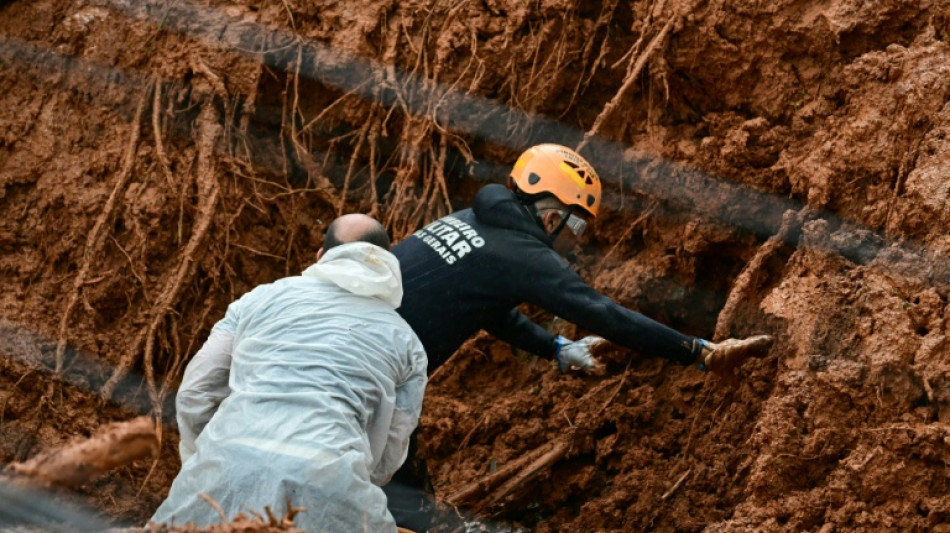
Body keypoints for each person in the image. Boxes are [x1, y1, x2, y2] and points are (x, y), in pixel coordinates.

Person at [385, 143, 773, 530]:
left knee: (394, 492)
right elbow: (603, 314)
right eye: (578, 225)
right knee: (398, 506)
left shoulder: (470, 219)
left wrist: (556, 346)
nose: (578, 240)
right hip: (371, 369)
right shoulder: (525, 254)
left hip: (344, 341)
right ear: (552, 215)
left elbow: (487, 309)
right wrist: (698, 351)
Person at [150, 214, 428, 533]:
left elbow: (195, 392)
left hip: (230, 460)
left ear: (321, 257)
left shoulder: (256, 301)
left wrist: (211, 460)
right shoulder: (407, 343)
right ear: (386, 266)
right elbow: (390, 451)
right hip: (332, 482)